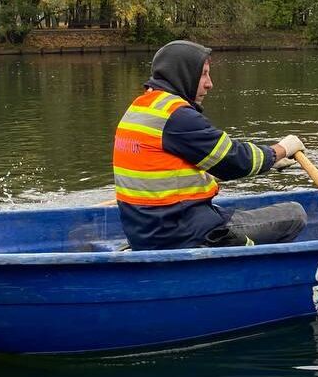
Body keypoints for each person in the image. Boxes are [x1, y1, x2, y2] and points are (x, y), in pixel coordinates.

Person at [114, 40, 308, 250]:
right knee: (295, 213)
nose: (210, 83)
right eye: (204, 74)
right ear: (184, 74)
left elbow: (168, 170)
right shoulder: (177, 116)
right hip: (184, 235)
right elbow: (235, 160)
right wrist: (280, 150)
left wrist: (271, 163)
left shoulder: (140, 108)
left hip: (146, 232)